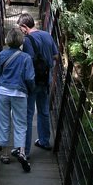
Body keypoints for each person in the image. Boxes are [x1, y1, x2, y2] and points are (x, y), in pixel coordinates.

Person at [0, 25, 34, 173]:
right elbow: (29, 78)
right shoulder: (26, 58)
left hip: (3, 92)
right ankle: (21, 152)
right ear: (21, 41)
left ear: (8, 40)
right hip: (20, 93)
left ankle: (4, 154)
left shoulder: (3, 54)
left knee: (3, 122)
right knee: (20, 124)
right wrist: (30, 89)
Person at [17, 13, 59, 158]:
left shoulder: (28, 40)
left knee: (28, 115)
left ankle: (25, 152)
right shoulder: (47, 35)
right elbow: (55, 55)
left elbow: (27, 61)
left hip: (32, 82)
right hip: (46, 80)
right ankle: (44, 141)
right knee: (44, 111)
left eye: (20, 28)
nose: (20, 31)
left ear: (24, 26)